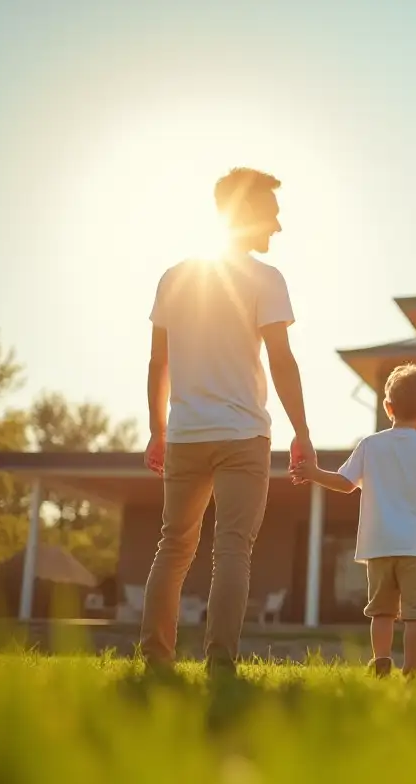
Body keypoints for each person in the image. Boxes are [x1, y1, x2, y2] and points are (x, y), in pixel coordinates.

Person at [139, 167, 313, 676]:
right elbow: (282, 360)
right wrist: (302, 431)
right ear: (250, 211)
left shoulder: (175, 276)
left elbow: (158, 363)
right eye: (273, 213)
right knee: (232, 548)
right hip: (242, 435)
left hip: (187, 433)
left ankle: (155, 660)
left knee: (174, 545)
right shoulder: (265, 279)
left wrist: (157, 428)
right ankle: (220, 664)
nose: (278, 225)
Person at [289, 363, 416, 678]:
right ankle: (410, 671)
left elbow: (344, 484)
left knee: (381, 610)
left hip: (378, 544)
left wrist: (313, 473)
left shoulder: (370, 445)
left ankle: (381, 660)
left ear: (388, 407)